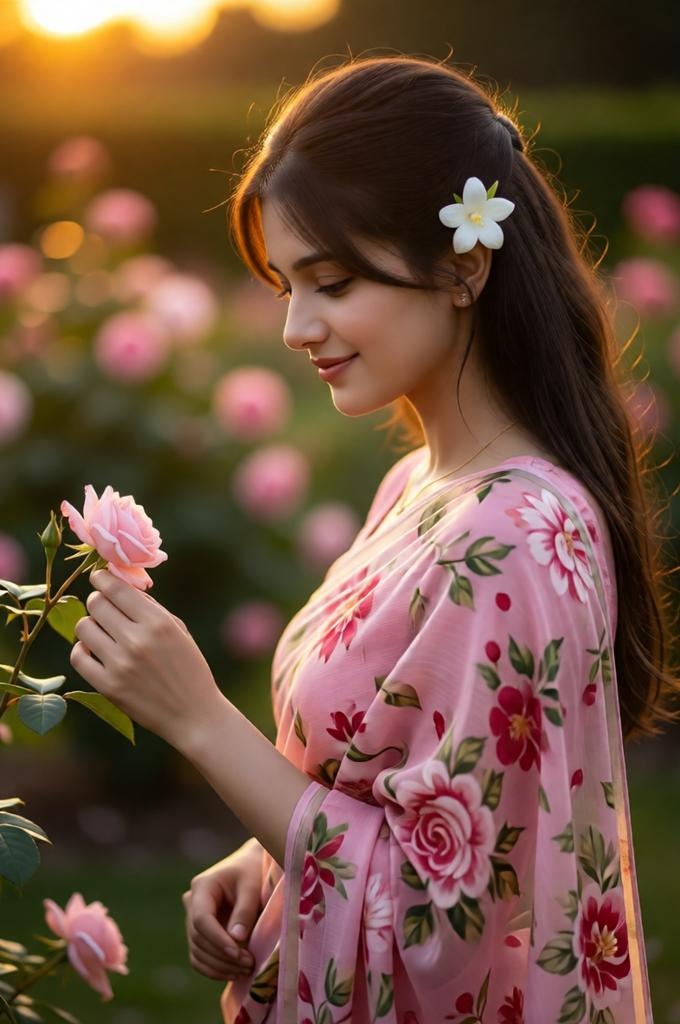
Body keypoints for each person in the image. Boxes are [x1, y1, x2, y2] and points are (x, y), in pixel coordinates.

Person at [71, 56, 677, 1023]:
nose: (295, 327)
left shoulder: (519, 532)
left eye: (334, 281)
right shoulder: (419, 486)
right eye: (283, 286)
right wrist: (256, 859)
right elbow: (369, 784)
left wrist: (199, 718)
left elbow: (452, 925)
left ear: (464, 264)